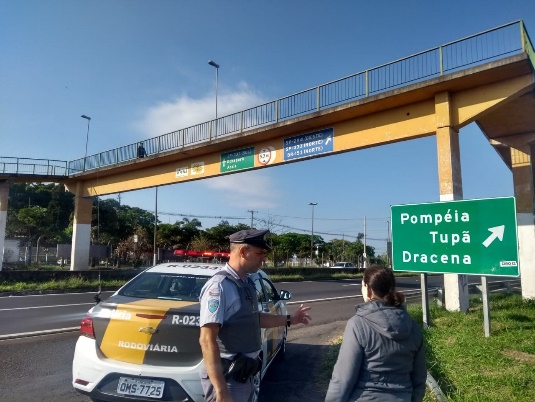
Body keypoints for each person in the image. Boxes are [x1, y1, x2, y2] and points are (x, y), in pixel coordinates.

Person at [199, 229, 312, 402]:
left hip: (246, 375)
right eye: (260, 253)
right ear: (243, 251)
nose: (264, 258)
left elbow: (255, 318)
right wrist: (221, 390)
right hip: (228, 379)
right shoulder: (219, 287)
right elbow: (207, 340)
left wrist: (290, 319)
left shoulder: (246, 282)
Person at [325, 265, 426, 402]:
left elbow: (343, 378)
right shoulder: (412, 326)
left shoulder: (358, 324)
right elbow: (419, 378)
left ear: (368, 290)